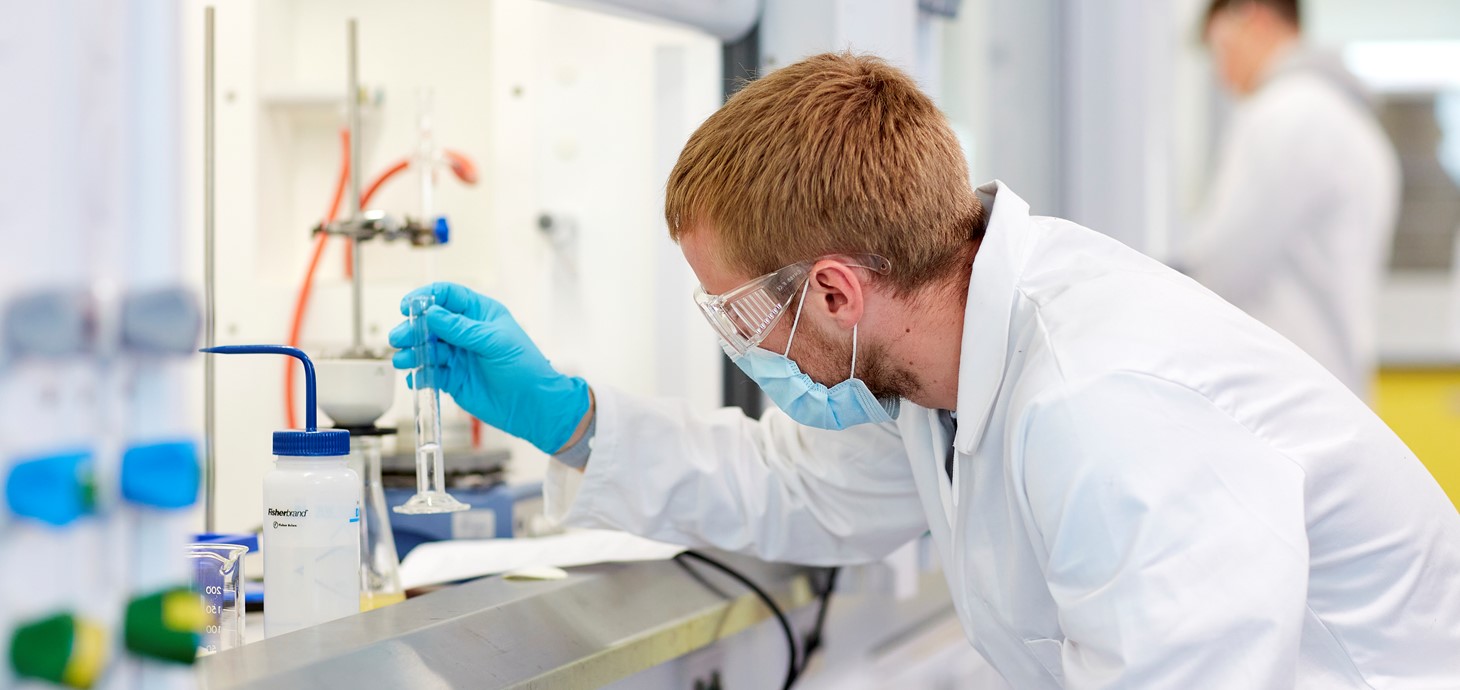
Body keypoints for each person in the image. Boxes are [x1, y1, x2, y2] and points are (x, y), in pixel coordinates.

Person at [390, 54, 1460, 688]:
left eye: (736, 310)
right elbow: (800, 488)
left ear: (836, 293)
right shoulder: (942, 366)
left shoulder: (1100, 405)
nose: (741, 341)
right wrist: (568, 417)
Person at [1178, 0, 1401, 401]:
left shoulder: (1285, 114)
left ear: (1254, 15)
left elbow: (1221, 271)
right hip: (1332, 388)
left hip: (1286, 398)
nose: (1219, 73)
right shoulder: (1350, 121)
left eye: (1220, 50)